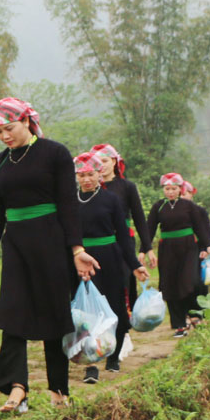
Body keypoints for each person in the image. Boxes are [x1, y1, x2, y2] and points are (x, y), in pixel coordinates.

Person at [0, 97, 99, 412]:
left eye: (10, 128)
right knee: (13, 313)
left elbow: (68, 205)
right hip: (15, 244)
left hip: (50, 241)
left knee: (53, 315)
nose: (5, 136)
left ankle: (59, 390)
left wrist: (77, 249)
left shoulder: (54, 153)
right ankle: (17, 388)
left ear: (27, 122)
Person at [73, 151, 149, 384]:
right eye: (82, 175)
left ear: (100, 175)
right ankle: (91, 363)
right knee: (87, 311)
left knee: (114, 306)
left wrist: (134, 264)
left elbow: (124, 237)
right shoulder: (70, 201)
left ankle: (113, 355)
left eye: (91, 174)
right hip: (82, 261)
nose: (86, 179)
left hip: (111, 258)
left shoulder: (111, 200)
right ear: (76, 176)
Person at [144, 174, 210, 339]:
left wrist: (206, 245)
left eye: (174, 189)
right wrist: (145, 249)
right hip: (167, 250)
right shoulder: (158, 207)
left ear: (180, 190)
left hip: (189, 248)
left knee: (190, 282)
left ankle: (195, 315)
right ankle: (179, 324)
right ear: (163, 190)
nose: (170, 192)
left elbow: (200, 228)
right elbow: (149, 229)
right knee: (170, 286)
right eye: (167, 189)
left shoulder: (189, 207)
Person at [182, 181, 210, 322]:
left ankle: (201, 311)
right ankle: (187, 312)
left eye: (185, 194)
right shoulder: (176, 212)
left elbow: (205, 232)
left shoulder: (200, 211)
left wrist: (205, 248)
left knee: (199, 282)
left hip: (198, 251)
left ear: (191, 194)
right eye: (180, 194)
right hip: (182, 251)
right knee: (184, 282)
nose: (183, 197)